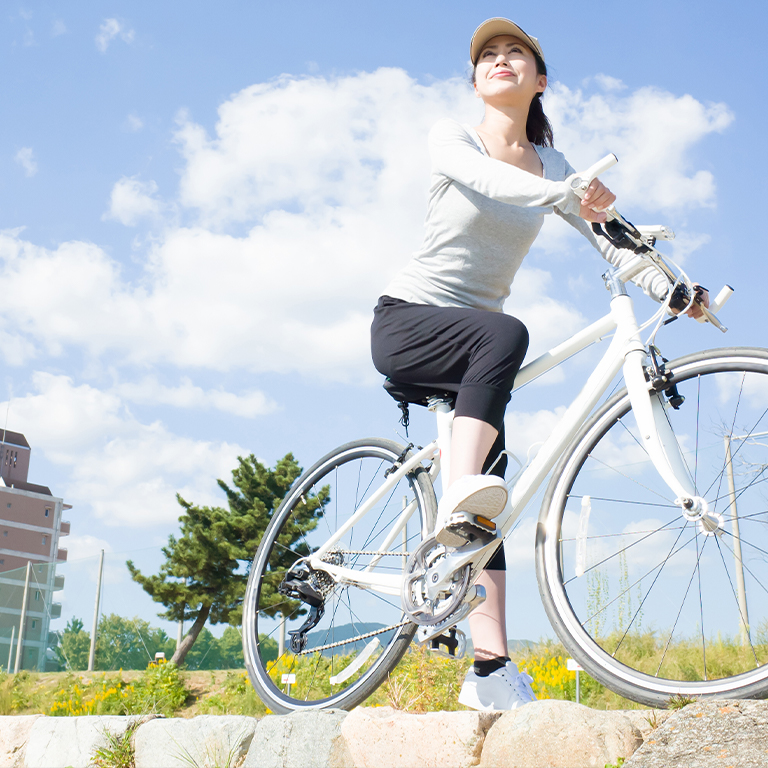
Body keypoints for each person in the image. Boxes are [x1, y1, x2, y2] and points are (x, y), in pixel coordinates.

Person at [370, 18, 708, 711]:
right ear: (474, 81)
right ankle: (461, 498)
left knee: (488, 502)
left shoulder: (555, 165)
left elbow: (614, 241)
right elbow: (482, 179)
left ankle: (491, 671)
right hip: (407, 321)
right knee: (505, 334)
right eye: (487, 56)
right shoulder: (452, 137)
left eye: (514, 52)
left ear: (539, 78)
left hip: (474, 344)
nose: (500, 61)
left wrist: (673, 286)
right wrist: (564, 195)